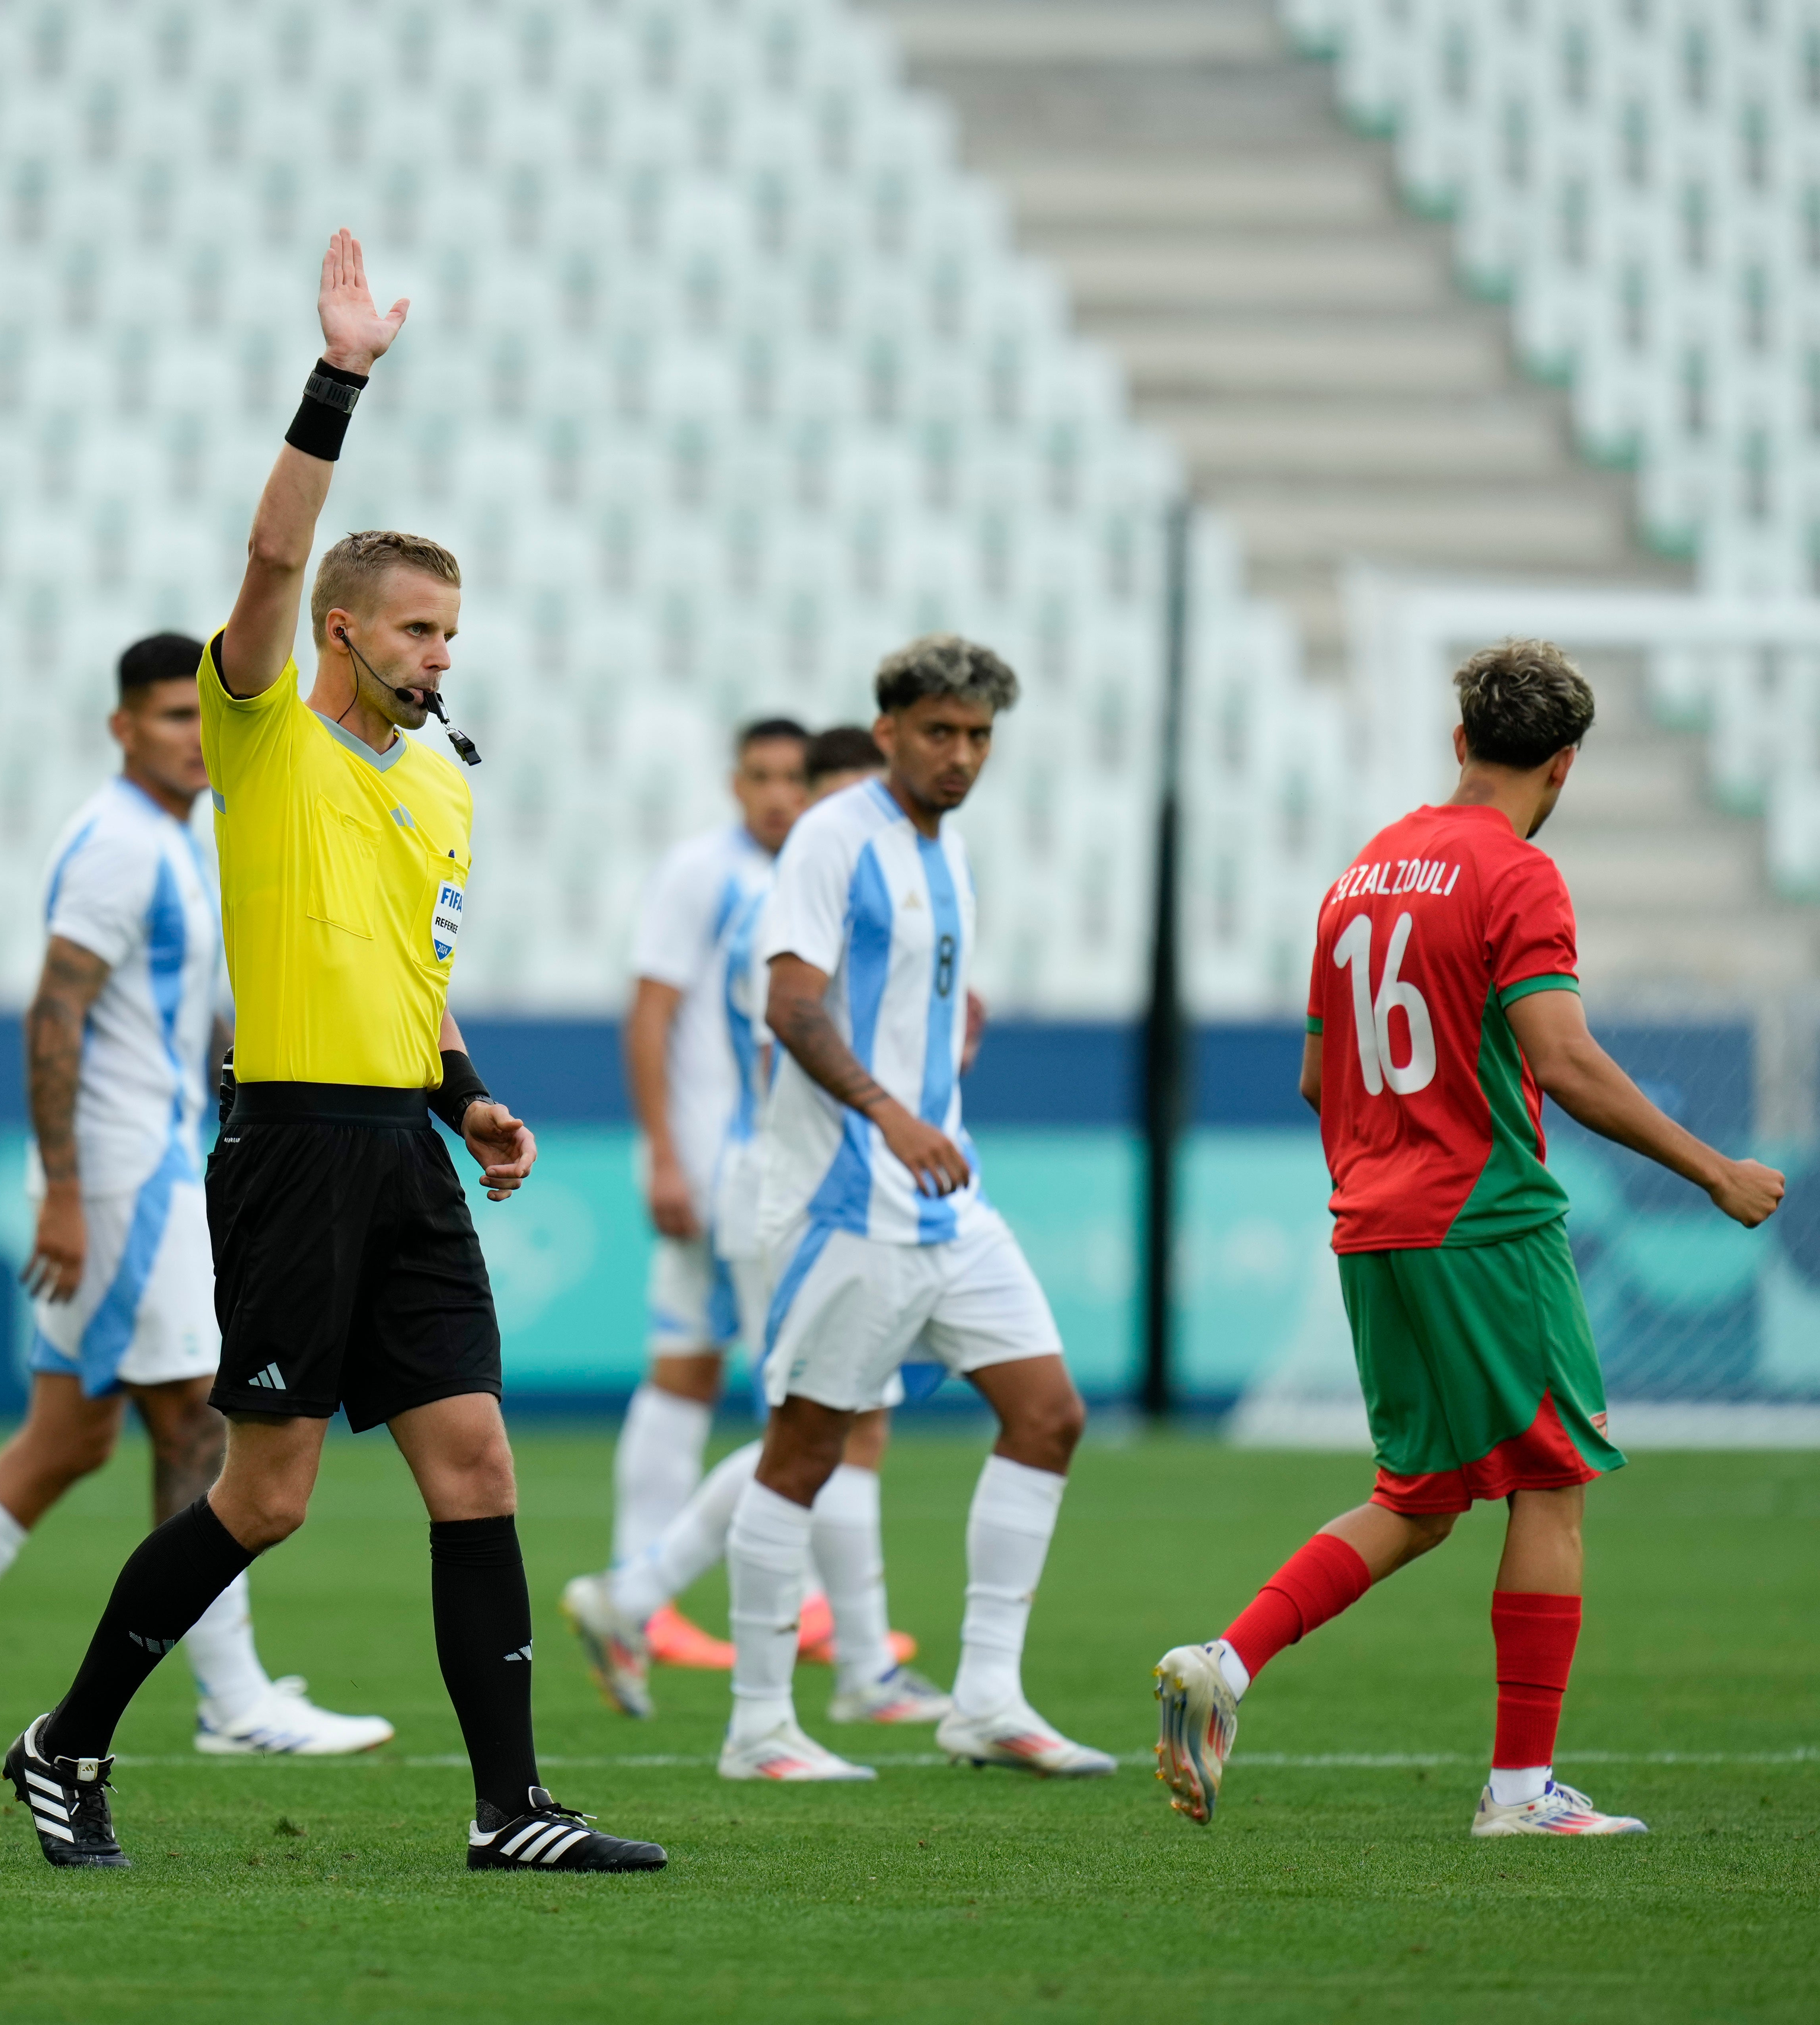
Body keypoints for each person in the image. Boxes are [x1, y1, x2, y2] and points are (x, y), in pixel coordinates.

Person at [0, 228, 666, 1874]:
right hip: (288, 1145)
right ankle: (61, 1746)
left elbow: (407, 977)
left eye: (453, 627)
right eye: (422, 629)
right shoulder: (264, 736)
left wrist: (471, 1096)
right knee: (265, 1497)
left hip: (403, 1149)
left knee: (474, 1461)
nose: (445, 652)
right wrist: (337, 380)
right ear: (348, 634)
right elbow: (265, 557)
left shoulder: (443, 784)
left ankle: (509, 1808)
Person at [1152, 640, 1785, 1838]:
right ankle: (1516, 1794)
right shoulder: (1515, 875)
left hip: (1371, 1227)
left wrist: (1382, 1167)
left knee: (1423, 1495)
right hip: (1484, 1224)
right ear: (1561, 764)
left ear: (1457, 744)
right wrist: (1710, 1170)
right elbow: (1562, 1059)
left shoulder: (1362, 872)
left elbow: (1311, 1076)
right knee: (1549, 1484)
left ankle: (1223, 1666)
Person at [0, 637, 391, 1759]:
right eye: (169, 716)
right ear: (121, 727)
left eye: (202, 715)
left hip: (148, 1165)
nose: (192, 734)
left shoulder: (172, 841)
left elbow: (170, 1018)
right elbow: (56, 1014)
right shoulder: (116, 848)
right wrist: (68, 1192)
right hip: (124, 1180)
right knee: (199, 1419)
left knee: (72, 1438)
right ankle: (229, 1699)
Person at [716, 635, 1116, 1785]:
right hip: (849, 1200)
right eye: (937, 732)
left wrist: (947, 1036)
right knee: (804, 1451)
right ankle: (756, 1727)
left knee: (1046, 1416)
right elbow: (792, 1006)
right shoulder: (830, 841)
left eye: (978, 737)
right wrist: (889, 1110)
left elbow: (895, 996)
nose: (959, 756)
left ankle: (984, 1698)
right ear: (885, 729)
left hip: (946, 1198)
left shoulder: (942, 852)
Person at [563, 723, 939, 1746]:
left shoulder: (781, 900)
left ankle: (654, 1600)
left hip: (764, 1178)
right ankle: (831, 1655)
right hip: (793, 1186)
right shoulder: (784, 906)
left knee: (815, 1416)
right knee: (829, 1422)